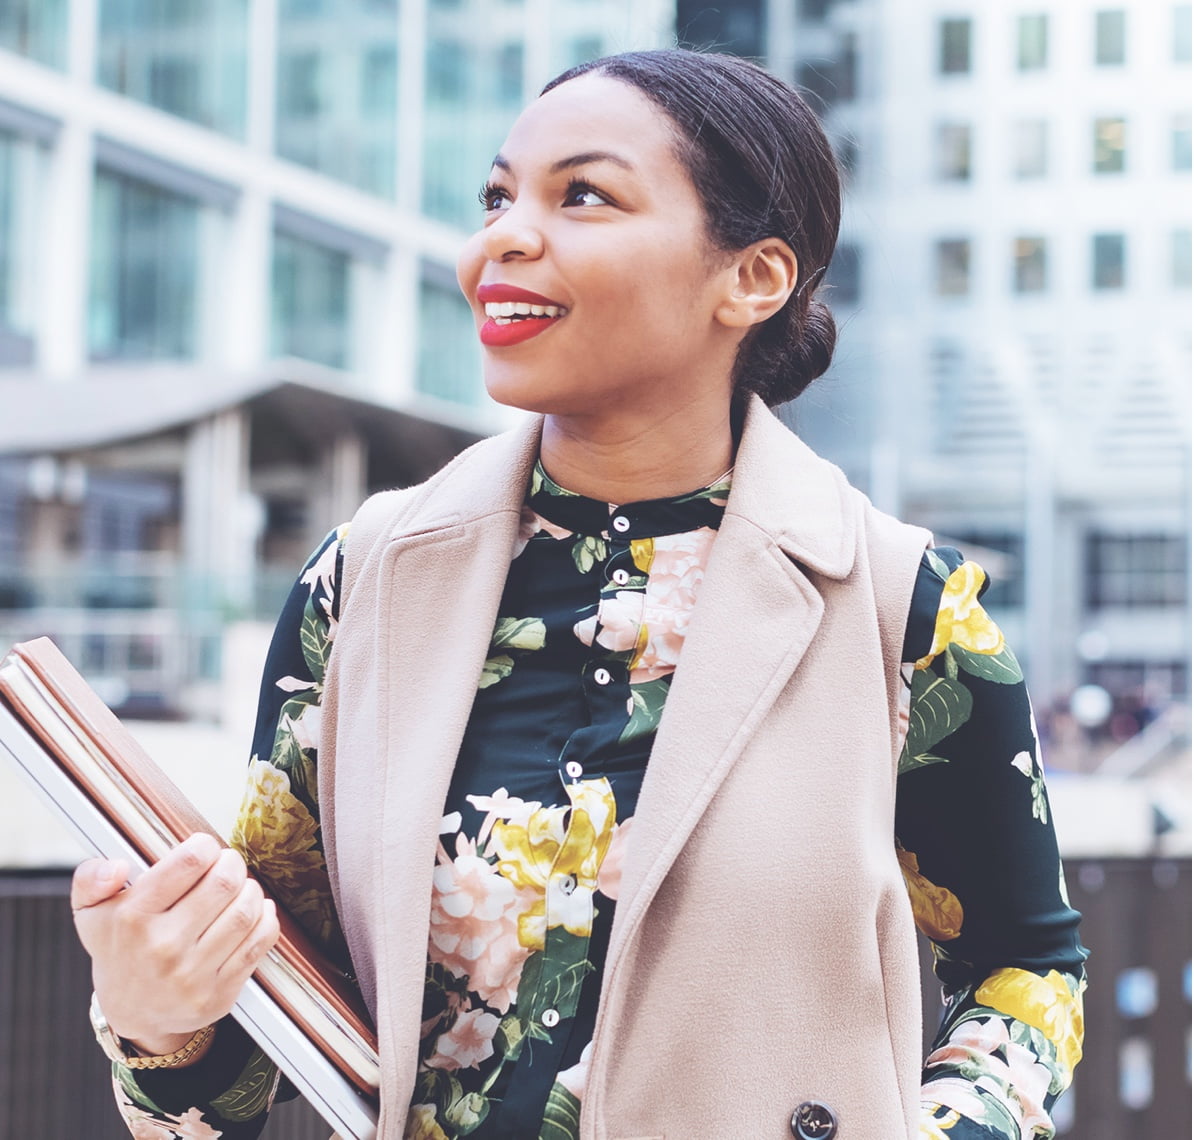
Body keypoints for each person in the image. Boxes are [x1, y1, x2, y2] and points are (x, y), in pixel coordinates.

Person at [70, 49, 1086, 1140]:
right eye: (498, 196)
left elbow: (1027, 968)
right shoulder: (362, 581)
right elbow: (260, 1059)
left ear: (752, 278)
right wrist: (156, 1016)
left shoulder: (901, 605)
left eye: (583, 196)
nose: (501, 237)